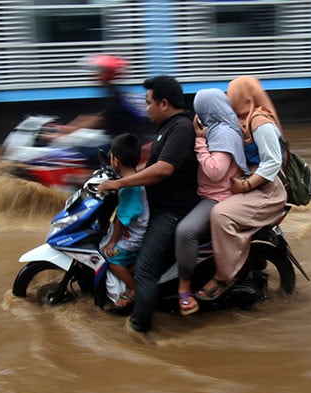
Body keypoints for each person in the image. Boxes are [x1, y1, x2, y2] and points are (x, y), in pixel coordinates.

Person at [98, 75, 199, 342]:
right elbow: (150, 167)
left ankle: (138, 329)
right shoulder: (167, 128)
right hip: (156, 207)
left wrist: (120, 182)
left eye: (149, 103)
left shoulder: (181, 129)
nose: (147, 108)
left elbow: (163, 169)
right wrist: (119, 178)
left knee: (144, 269)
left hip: (171, 213)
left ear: (164, 103)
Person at [195, 76, 288, 301]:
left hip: (267, 190)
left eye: (232, 93)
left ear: (243, 96)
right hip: (253, 186)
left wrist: (246, 185)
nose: (228, 98)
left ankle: (224, 276)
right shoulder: (242, 122)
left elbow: (272, 163)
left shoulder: (260, 122)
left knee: (221, 214)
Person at [174, 88, 248, 316]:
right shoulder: (215, 129)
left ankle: (184, 288)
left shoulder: (223, 133)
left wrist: (199, 141)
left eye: (200, 109)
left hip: (219, 197)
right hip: (207, 192)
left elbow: (215, 171)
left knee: (185, 231)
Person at [100, 133, 149, 309]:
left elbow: (123, 218)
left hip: (134, 236)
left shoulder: (128, 187)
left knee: (113, 260)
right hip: (134, 230)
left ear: (116, 161)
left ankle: (132, 289)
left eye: (112, 156)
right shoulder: (132, 178)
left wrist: (113, 242)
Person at [49, 54, 145, 139]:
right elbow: (89, 116)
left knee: (82, 153)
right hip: (116, 140)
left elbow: (96, 121)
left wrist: (63, 135)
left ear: (107, 73)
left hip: (124, 146)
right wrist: (64, 128)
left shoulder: (114, 96)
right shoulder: (108, 91)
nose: (93, 74)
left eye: (99, 71)